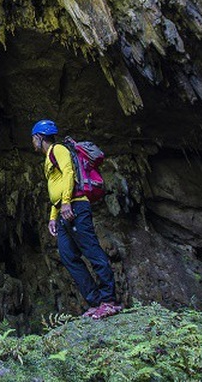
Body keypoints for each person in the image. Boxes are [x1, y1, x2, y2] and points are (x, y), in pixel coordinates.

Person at [32, 119, 121, 319]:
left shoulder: (58, 149)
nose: (32, 143)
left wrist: (66, 203)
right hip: (63, 211)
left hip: (76, 206)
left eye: (33, 138)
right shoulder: (48, 157)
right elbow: (55, 188)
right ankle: (96, 301)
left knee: (91, 249)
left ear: (39, 137)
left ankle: (109, 300)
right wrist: (53, 217)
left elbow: (69, 173)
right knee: (68, 256)